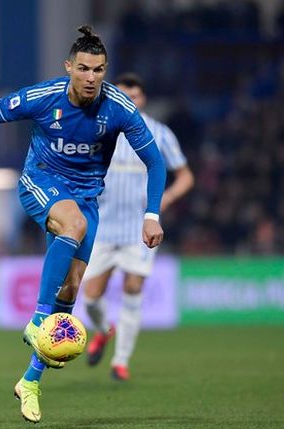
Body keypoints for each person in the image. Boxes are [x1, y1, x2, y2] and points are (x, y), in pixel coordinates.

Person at [0, 26, 166, 423]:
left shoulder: (118, 107)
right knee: (72, 225)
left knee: (73, 287)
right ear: (69, 68)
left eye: (99, 70)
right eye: (84, 69)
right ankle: (38, 320)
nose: (92, 77)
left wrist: (151, 214)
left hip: (86, 197)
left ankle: (30, 381)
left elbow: (156, 162)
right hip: (40, 181)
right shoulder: (44, 97)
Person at [82, 73, 194, 381]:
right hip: (102, 227)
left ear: (143, 100)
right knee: (90, 296)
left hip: (138, 230)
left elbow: (185, 176)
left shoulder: (159, 133)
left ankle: (121, 361)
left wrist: (165, 199)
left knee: (134, 288)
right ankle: (105, 330)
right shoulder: (99, 129)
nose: (129, 101)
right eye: (122, 96)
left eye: (134, 96)